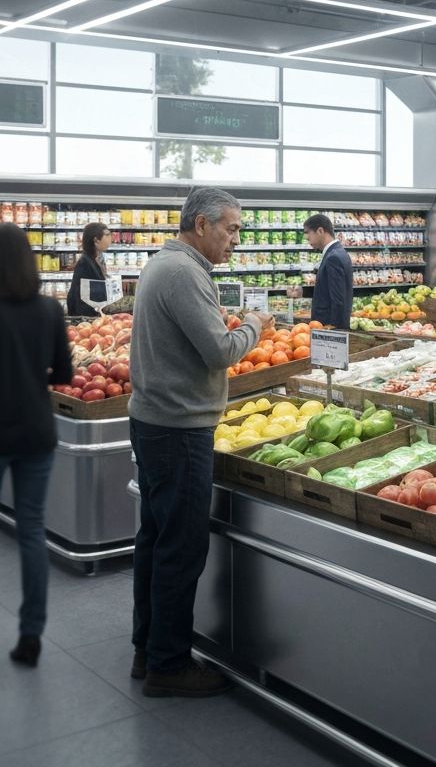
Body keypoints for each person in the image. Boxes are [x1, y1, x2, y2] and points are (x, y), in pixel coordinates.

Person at [129, 187, 274, 698]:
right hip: (180, 429)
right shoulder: (186, 273)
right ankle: (169, 665)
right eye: (231, 228)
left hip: (154, 423)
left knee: (155, 538)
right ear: (200, 225)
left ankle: (147, 649)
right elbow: (217, 351)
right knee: (181, 547)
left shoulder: (164, 265)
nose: (236, 239)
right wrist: (254, 326)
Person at [0, 224, 73, 667]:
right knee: (31, 531)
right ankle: (31, 635)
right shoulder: (48, 310)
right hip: (36, 432)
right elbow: (63, 375)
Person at [304, 213, 353, 330]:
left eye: (308, 233)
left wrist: (334, 329)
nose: (306, 238)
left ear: (320, 231)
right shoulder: (337, 252)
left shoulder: (333, 257)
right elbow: (327, 290)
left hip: (328, 328)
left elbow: (338, 299)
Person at [66, 222, 111, 317]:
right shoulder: (84, 264)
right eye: (107, 235)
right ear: (96, 240)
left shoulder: (97, 259)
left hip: (94, 315)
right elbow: (80, 298)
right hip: (86, 319)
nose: (110, 238)